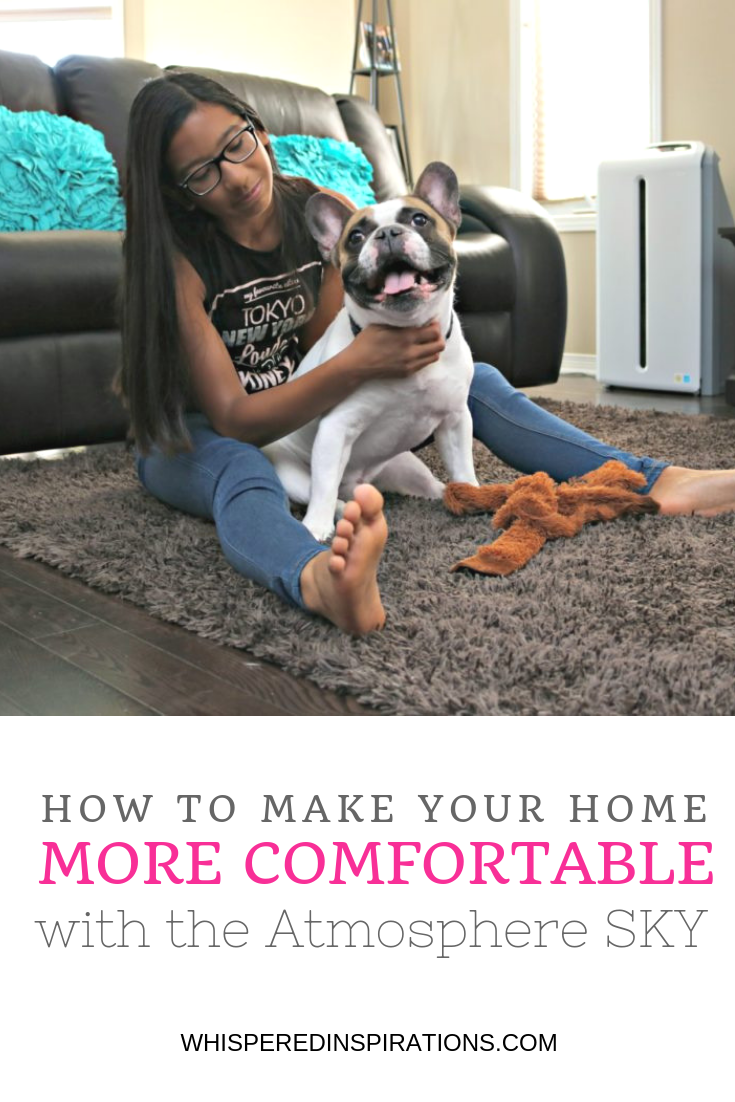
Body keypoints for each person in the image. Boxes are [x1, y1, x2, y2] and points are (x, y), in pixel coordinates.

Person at [117, 71, 735, 636]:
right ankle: (320, 580)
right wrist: (362, 365)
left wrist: (396, 365)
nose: (238, 175)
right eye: (203, 172)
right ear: (179, 193)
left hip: (306, 419)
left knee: (471, 380)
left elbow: (333, 349)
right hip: (198, 435)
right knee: (242, 471)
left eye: (238, 144)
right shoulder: (172, 260)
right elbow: (236, 417)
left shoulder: (310, 207)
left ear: (255, 128)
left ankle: (653, 479)